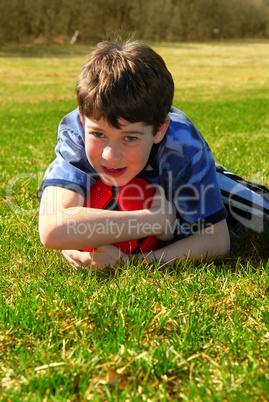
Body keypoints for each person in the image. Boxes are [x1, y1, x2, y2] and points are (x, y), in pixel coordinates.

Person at [38, 38, 230, 269]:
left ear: (160, 129)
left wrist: (133, 263)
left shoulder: (181, 146)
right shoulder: (76, 133)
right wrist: (156, 221)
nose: (110, 155)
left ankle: (220, 179)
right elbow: (53, 229)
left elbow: (218, 240)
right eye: (99, 135)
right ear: (82, 119)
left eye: (130, 138)